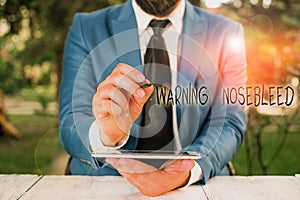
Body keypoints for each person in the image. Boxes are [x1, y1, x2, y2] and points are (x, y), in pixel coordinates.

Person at [59, 0, 247, 196]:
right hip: (104, 185)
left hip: (194, 185)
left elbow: (229, 120)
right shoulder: (86, 28)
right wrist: (106, 135)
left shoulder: (226, 33)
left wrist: (186, 169)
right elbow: (71, 120)